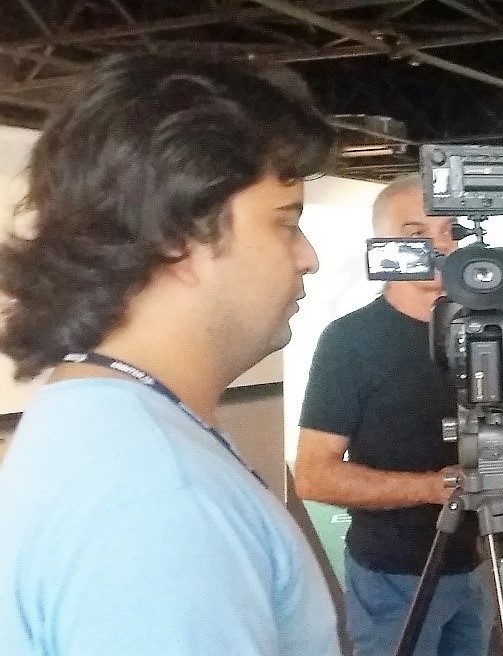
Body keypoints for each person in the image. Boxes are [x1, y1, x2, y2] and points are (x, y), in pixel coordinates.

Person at [0, 55, 341, 655]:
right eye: (285, 224)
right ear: (177, 235)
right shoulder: (158, 499)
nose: (308, 256)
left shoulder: (106, 426)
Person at [295, 174, 503, 656]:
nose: (440, 246)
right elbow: (314, 476)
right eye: (416, 234)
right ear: (382, 245)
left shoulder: (489, 333)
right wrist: (435, 487)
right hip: (392, 576)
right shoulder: (350, 341)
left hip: (475, 562)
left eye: (451, 232)